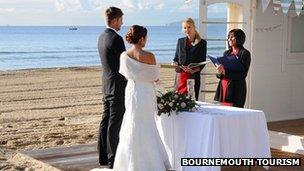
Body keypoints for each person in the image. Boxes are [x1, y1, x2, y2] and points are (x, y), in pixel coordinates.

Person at [92, 25, 172, 171]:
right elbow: (154, 77)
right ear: (142, 39)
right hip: (145, 92)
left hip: (131, 91)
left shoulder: (124, 56)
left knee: (131, 122)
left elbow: (125, 74)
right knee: (147, 124)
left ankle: (129, 162)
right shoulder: (150, 56)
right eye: (146, 37)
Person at [97, 7, 127, 168]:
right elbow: (124, 65)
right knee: (114, 123)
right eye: (121, 20)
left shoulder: (101, 37)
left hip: (106, 83)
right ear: (115, 20)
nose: (122, 23)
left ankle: (102, 155)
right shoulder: (116, 38)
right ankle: (112, 158)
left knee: (106, 119)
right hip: (117, 86)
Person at [214, 29, 251, 108]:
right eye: (228, 37)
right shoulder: (226, 53)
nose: (229, 39)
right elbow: (219, 75)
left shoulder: (244, 53)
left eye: (232, 37)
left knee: (235, 115)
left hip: (236, 88)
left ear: (239, 38)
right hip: (224, 86)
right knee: (223, 113)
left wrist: (225, 72)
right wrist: (219, 72)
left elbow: (243, 75)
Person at [172, 18, 207, 100]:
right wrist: (174, 63)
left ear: (194, 27)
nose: (186, 29)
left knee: (192, 102)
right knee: (177, 100)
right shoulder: (180, 41)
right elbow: (176, 58)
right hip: (180, 76)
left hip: (193, 76)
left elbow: (202, 62)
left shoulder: (202, 43)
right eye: (184, 28)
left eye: (189, 27)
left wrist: (194, 70)